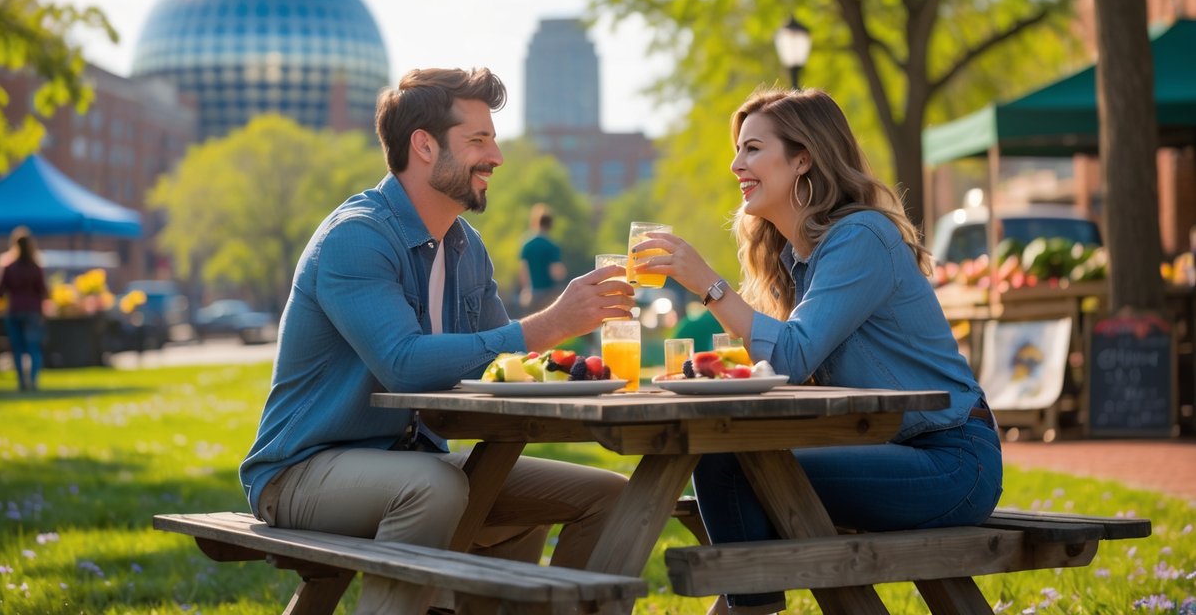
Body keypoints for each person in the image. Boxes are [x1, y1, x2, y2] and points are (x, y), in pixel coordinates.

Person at [240, 67, 634, 615]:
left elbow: (505, 365)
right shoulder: (356, 237)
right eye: (478, 140)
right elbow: (402, 363)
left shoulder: (465, 246)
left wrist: (585, 369)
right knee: (436, 489)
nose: (496, 156)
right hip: (303, 470)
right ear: (424, 146)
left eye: (493, 139)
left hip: (420, 464)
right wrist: (548, 323)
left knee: (611, 499)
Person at [634, 87, 1003, 615]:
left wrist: (709, 285)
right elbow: (784, 369)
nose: (736, 164)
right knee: (727, 465)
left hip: (950, 462)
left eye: (753, 149)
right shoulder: (795, 260)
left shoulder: (862, 237)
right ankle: (749, 604)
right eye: (738, 150)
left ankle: (748, 606)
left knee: (733, 471)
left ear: (803, 157)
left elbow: (791, 355)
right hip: (890, 451)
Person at [0, 227, 49, 392]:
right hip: (32, 311)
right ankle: (33, 381)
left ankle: (22, 382)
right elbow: (43, 291)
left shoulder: (9, 266)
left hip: (14, 310)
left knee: (18, 349)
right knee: (33, 348)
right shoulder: (35, 267)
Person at [518, 203, 567, 314]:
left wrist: (525, 290)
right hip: (548, 295)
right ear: (550, 225)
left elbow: (523, 272)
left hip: (532, 294)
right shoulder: (551, 246)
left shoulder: (526, 244)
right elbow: (556, 273)